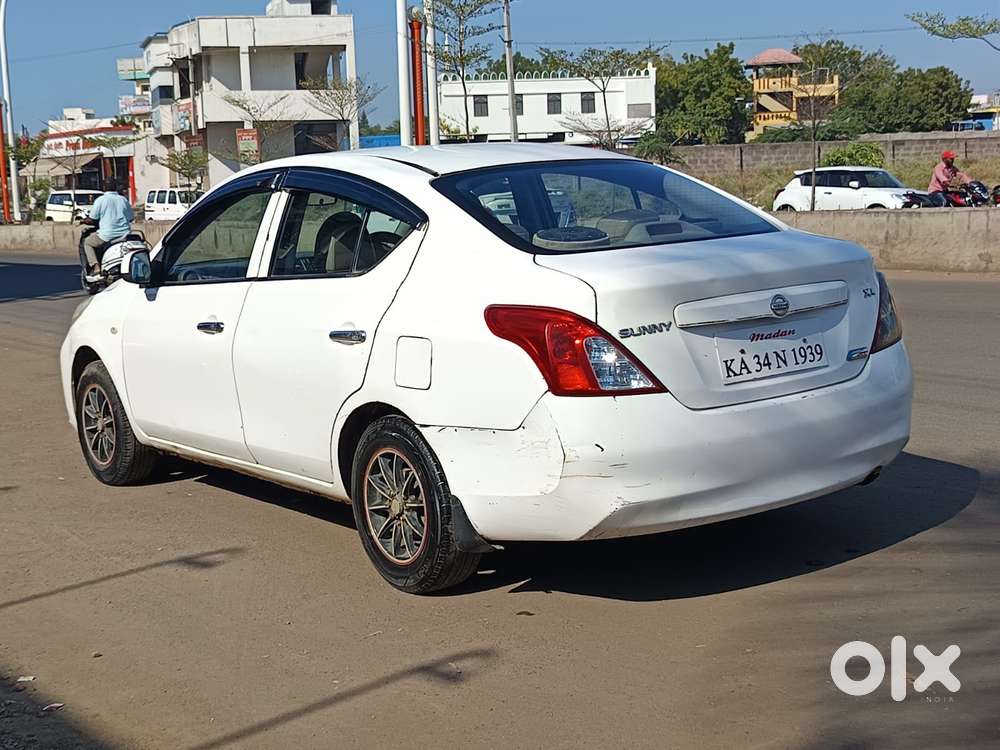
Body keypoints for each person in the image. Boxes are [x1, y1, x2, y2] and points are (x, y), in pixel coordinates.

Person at [82, 180, 134, 277]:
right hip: (125, 235)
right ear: (116, 187)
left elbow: (92, 218)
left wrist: (84, 221)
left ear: (104, 188)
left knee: (87, 242)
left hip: (107, 236)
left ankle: (96, 266)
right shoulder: (123, 200)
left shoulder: (101, 200)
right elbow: (131, 218)